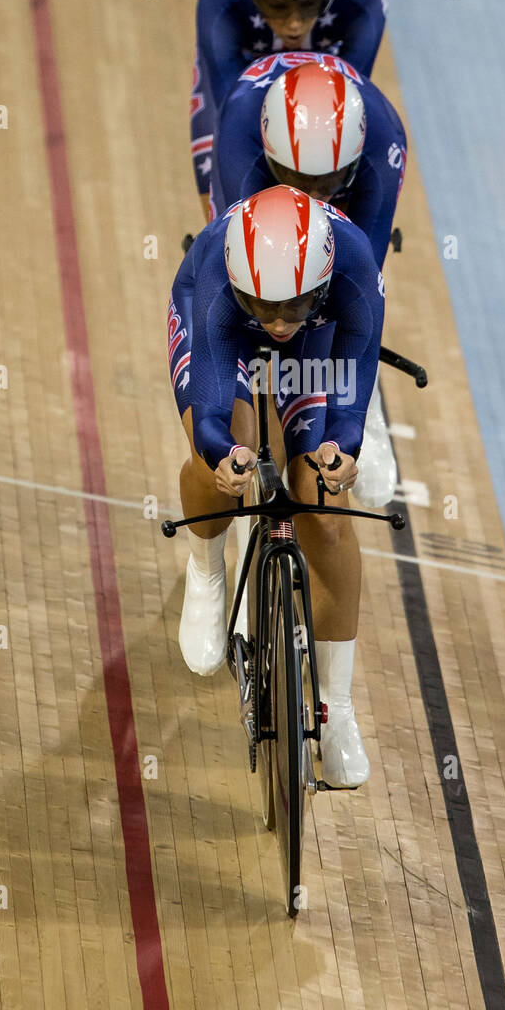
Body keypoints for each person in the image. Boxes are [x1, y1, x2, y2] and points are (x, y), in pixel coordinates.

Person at [167, 185, 386, 787]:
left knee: (325, 508)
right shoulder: (218, 265)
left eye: (292, 308)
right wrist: (222, 452)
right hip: (223, 335)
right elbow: (210, 405)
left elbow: (353, 380)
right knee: (226, 463)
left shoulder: (354, 262)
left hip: (324, 347)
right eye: (265, 307)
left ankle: (336, 707)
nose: (279, 323)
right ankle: (208, 569)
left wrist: (345, 448)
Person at [214, 55, 407, 504]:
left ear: (352, 161)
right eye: (297, 178)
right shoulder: (241, 128)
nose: (312, 195)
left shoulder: (382, 142)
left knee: (336, 293)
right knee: (259, 287)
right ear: (270, 152)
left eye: (327, 181)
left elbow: (359, 277)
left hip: (352, 206)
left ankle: (367, 394)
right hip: (259, 199)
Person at [190, 0, 386, 222]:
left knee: (328, 168)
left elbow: (349, 102)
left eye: (309, 3)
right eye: (277, 4)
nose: (294, 24)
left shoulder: (364, 1)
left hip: (321, 77)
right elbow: (230, 113)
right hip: (243, 73)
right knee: (225, 212)